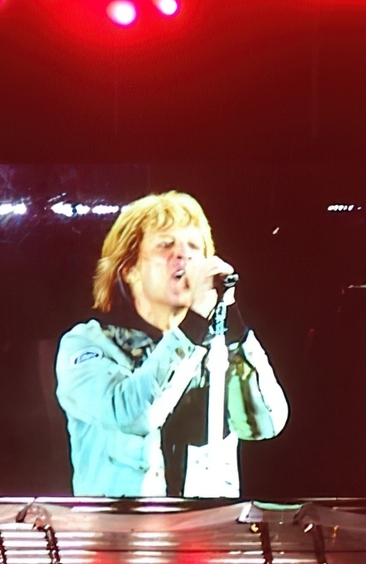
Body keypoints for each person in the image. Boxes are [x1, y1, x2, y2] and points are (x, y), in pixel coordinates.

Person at [55, 191, 287, 498]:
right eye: (166, 245)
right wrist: (193, 325)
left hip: (209, 525)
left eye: (194, 246)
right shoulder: (88, 344)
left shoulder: (218, 348)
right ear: (129, 269)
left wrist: (234, 328)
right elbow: (131, 415)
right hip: (122, 526)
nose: (184, 256)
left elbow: (265, 425)